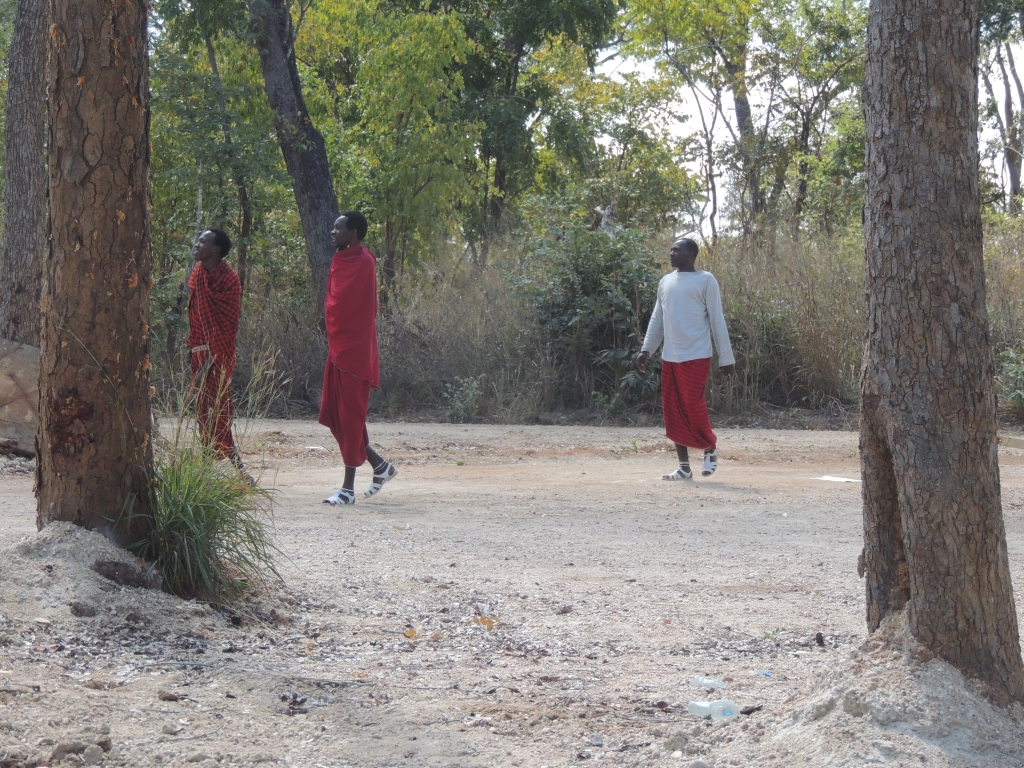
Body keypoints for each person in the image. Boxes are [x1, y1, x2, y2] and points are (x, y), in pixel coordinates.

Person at [635, 237, 735, 480]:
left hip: (697, 355)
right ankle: (684, 467)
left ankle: (709, 448)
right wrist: (646, 349)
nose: (671, 254)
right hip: (671, 356)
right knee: (672, 410)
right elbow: (657, 319)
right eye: (670, 249)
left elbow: (717, 319)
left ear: (690, 254)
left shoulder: (705, 280)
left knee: (693, 404)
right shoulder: (665, 282)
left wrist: (726, 357)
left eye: (676, 250)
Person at [320, 211, 397, 505]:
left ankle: (347, 490)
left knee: (351, 419)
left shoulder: (364, 262)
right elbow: (334, 305)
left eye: (338, 228)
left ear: (352, 233)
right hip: (338, 347)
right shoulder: (339, 259)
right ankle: (380, 467)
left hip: (355, 352)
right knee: (338, 416)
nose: (332, 232)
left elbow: (356, 309)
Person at [188, 228, 252, 483]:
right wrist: (193, 353)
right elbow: (195, 317)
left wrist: (212, 358)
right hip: (197, 352)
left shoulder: (229, 280)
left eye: (202, 241)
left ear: (215, 249)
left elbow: (228, 325)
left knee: (219, 411)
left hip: (220, 355)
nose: (196, 244)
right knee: (203, 413)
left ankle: (239, 470)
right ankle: (207, 470)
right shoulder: (197, 274)